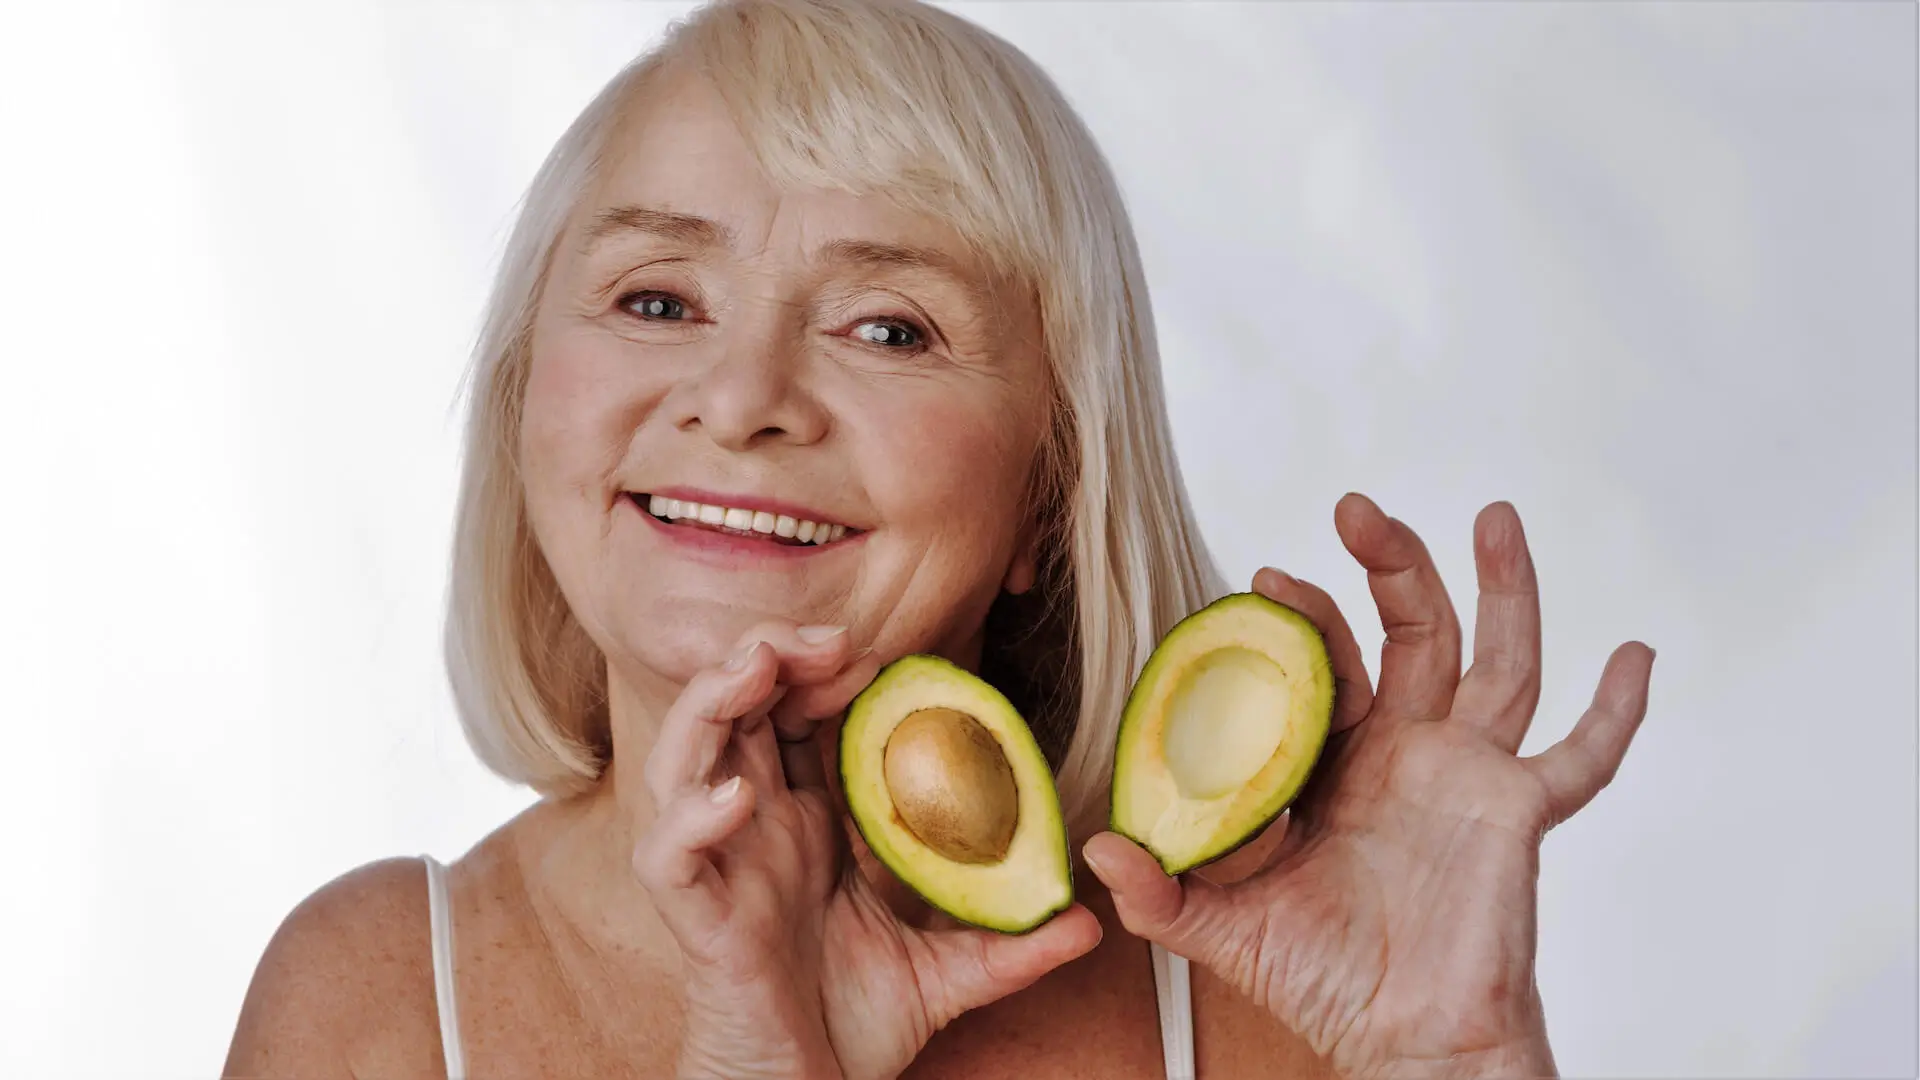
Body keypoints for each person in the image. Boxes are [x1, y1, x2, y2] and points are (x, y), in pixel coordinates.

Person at [221, 0, 1656, 1076]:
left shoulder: (1261, 994)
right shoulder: (376, 999)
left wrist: (1452, 1058)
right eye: (657, 298)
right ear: (531, 396)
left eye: (888, 327)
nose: (741, 398)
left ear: (1051, 496)